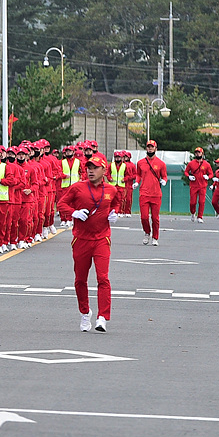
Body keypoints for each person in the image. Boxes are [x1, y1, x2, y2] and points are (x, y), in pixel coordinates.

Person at [58, 153, 120, 332]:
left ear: (104, 170)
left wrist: (114, 213)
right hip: (81, 239)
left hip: (102, 238)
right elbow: (61, 204)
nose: (91, 171)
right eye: (89, 168)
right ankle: (85, 313)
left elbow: (116, 202)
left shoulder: (111, 190)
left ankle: (102, 317)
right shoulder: (77, 188)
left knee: (103, 278)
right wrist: (73, 212)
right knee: (80, 280)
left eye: (95, 168)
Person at [135, 141, 168, 246]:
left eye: (152, 147)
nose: (150, 149)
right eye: (148, 147)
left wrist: (164, 181)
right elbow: (138, 175)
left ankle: (155, 237)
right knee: (144, 217)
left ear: (155, 149)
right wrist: (136, 182)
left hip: (156, 194)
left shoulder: (161, 164)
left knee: (155, 217)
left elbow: (165, 176)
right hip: (144, 193)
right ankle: (147, 232)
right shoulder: (140, 163)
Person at [184, 147, 213, 223]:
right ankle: (193, 212)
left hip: (203, 186)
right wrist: (189, 176)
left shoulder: (206, 164)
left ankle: (200, 216)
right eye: (196, 152)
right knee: (192, 202)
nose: (197, 154)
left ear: (202, 154)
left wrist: (208, 177)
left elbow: (211, 174)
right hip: (193, 185)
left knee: (201, 201)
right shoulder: (191, 163)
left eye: (199, 152)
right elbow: (186, 172)